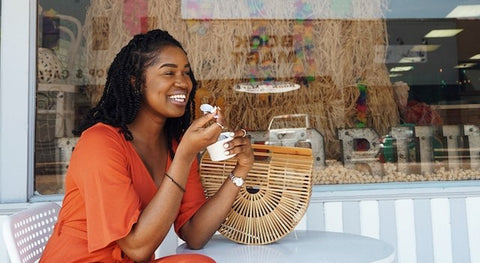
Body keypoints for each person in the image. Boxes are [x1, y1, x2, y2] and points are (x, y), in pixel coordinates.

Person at [40, 29, 254, 263]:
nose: (183, 82)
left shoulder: (174, 145)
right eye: (169, 73)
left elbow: (194, 234)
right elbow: (137, 247)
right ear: (136, 82)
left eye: (186, 73)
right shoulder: (100, 144)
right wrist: (184, 156)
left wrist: (240, 170)